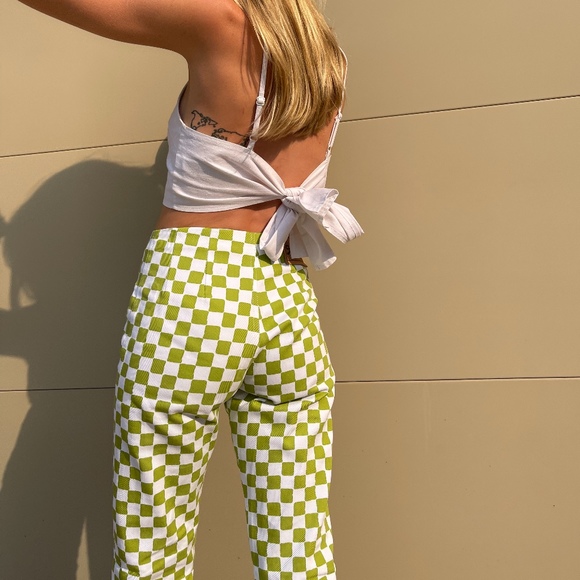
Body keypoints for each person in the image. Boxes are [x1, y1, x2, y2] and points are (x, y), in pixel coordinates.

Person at [17, 0, 363, 577]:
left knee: (154, 533)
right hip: (287, 295)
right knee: (299, 538)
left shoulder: (221, 23)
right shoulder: (328, 57)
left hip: (195, 290)